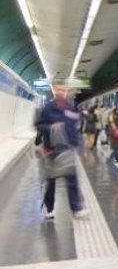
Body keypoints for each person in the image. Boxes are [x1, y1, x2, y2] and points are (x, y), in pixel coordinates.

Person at [34, 82, 89, 219]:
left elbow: (74, 123)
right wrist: (51, 127)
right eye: (61, 89)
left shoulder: (71, 107)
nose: (64, 92)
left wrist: (76, 141)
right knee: (51, 181)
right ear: (55, 91)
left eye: (66, 90)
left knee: (72, 178)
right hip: (51, 149)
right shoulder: (48, 108)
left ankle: (76, 209)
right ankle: (49, 207)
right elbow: (39, 125)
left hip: (67, 148)